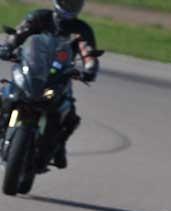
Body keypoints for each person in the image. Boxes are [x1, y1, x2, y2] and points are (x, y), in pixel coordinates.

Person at [0, 0, 98, 169]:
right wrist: (8, 46)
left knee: (69, 115)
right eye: (66, 2)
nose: (69, 6)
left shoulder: (81, 29)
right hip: (31, 70)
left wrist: (89, 69)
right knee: (5, 94)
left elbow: (88, 52)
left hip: (58, 77)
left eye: (74, 3)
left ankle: (59, 147)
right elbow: (19, 34)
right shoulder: (38, 17)